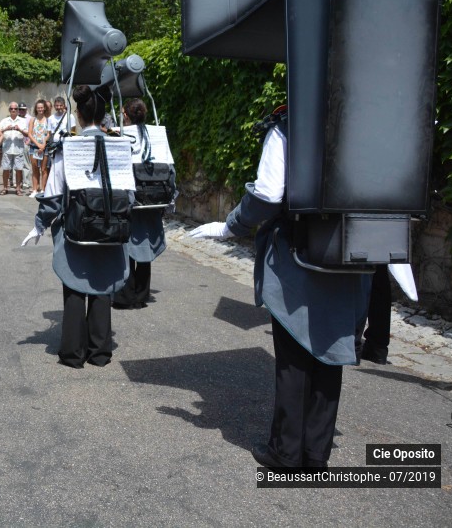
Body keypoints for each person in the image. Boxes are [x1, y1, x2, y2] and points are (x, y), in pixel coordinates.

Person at [188, 108, 370, 469]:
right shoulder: (366, 121)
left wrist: (230, 226)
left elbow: (269, 195)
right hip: (353, 250)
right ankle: (316, 454)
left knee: (294, 358)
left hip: (298, 254)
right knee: (330, 351)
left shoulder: (288, 126)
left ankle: (286, 452)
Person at [22, 84, 129, 368]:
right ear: (103, 115)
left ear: (78, 116)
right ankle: (100, 351)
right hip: (111, 225)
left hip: (76, 227)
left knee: (74, 284)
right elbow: (130, 194)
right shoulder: (121, 146)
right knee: (103, 282)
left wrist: (39, 224)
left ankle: (73, 352)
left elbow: (53, 195)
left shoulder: (67, 147)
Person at [112, 98, 168, 309]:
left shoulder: (120, 135)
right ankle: (142, 294)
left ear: (126, 116)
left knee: (126, 244)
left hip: (130, 197)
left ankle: (126, 295)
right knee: (145, 241)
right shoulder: (156, 134)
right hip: (154, 195)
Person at [0, 101, 28, 196]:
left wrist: (19, 129)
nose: (13, 110)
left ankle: (18, 188)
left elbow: (27, 134)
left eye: (15, 109)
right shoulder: (4, 121)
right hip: (7, 148)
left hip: (18, 148)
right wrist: (6, 129)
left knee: (19, 169)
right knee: (5, 169)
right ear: (9, 110)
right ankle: (5, 187)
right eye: (11, 108)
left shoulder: (23, 121)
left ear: (18, 110)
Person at [28, 99, 51, 197]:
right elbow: (29, 133)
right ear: (36, 109)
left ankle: (43, 189)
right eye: (38, 108)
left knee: (44, 169)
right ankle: (34, 189)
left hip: (44, 147)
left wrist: (43, 144)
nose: (40, 109)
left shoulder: (48, 120)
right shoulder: (33, 120)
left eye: (42, 107)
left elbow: (49, 133)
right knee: (34, 168)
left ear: (44, 108)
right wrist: (38, 144)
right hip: (34, 147)